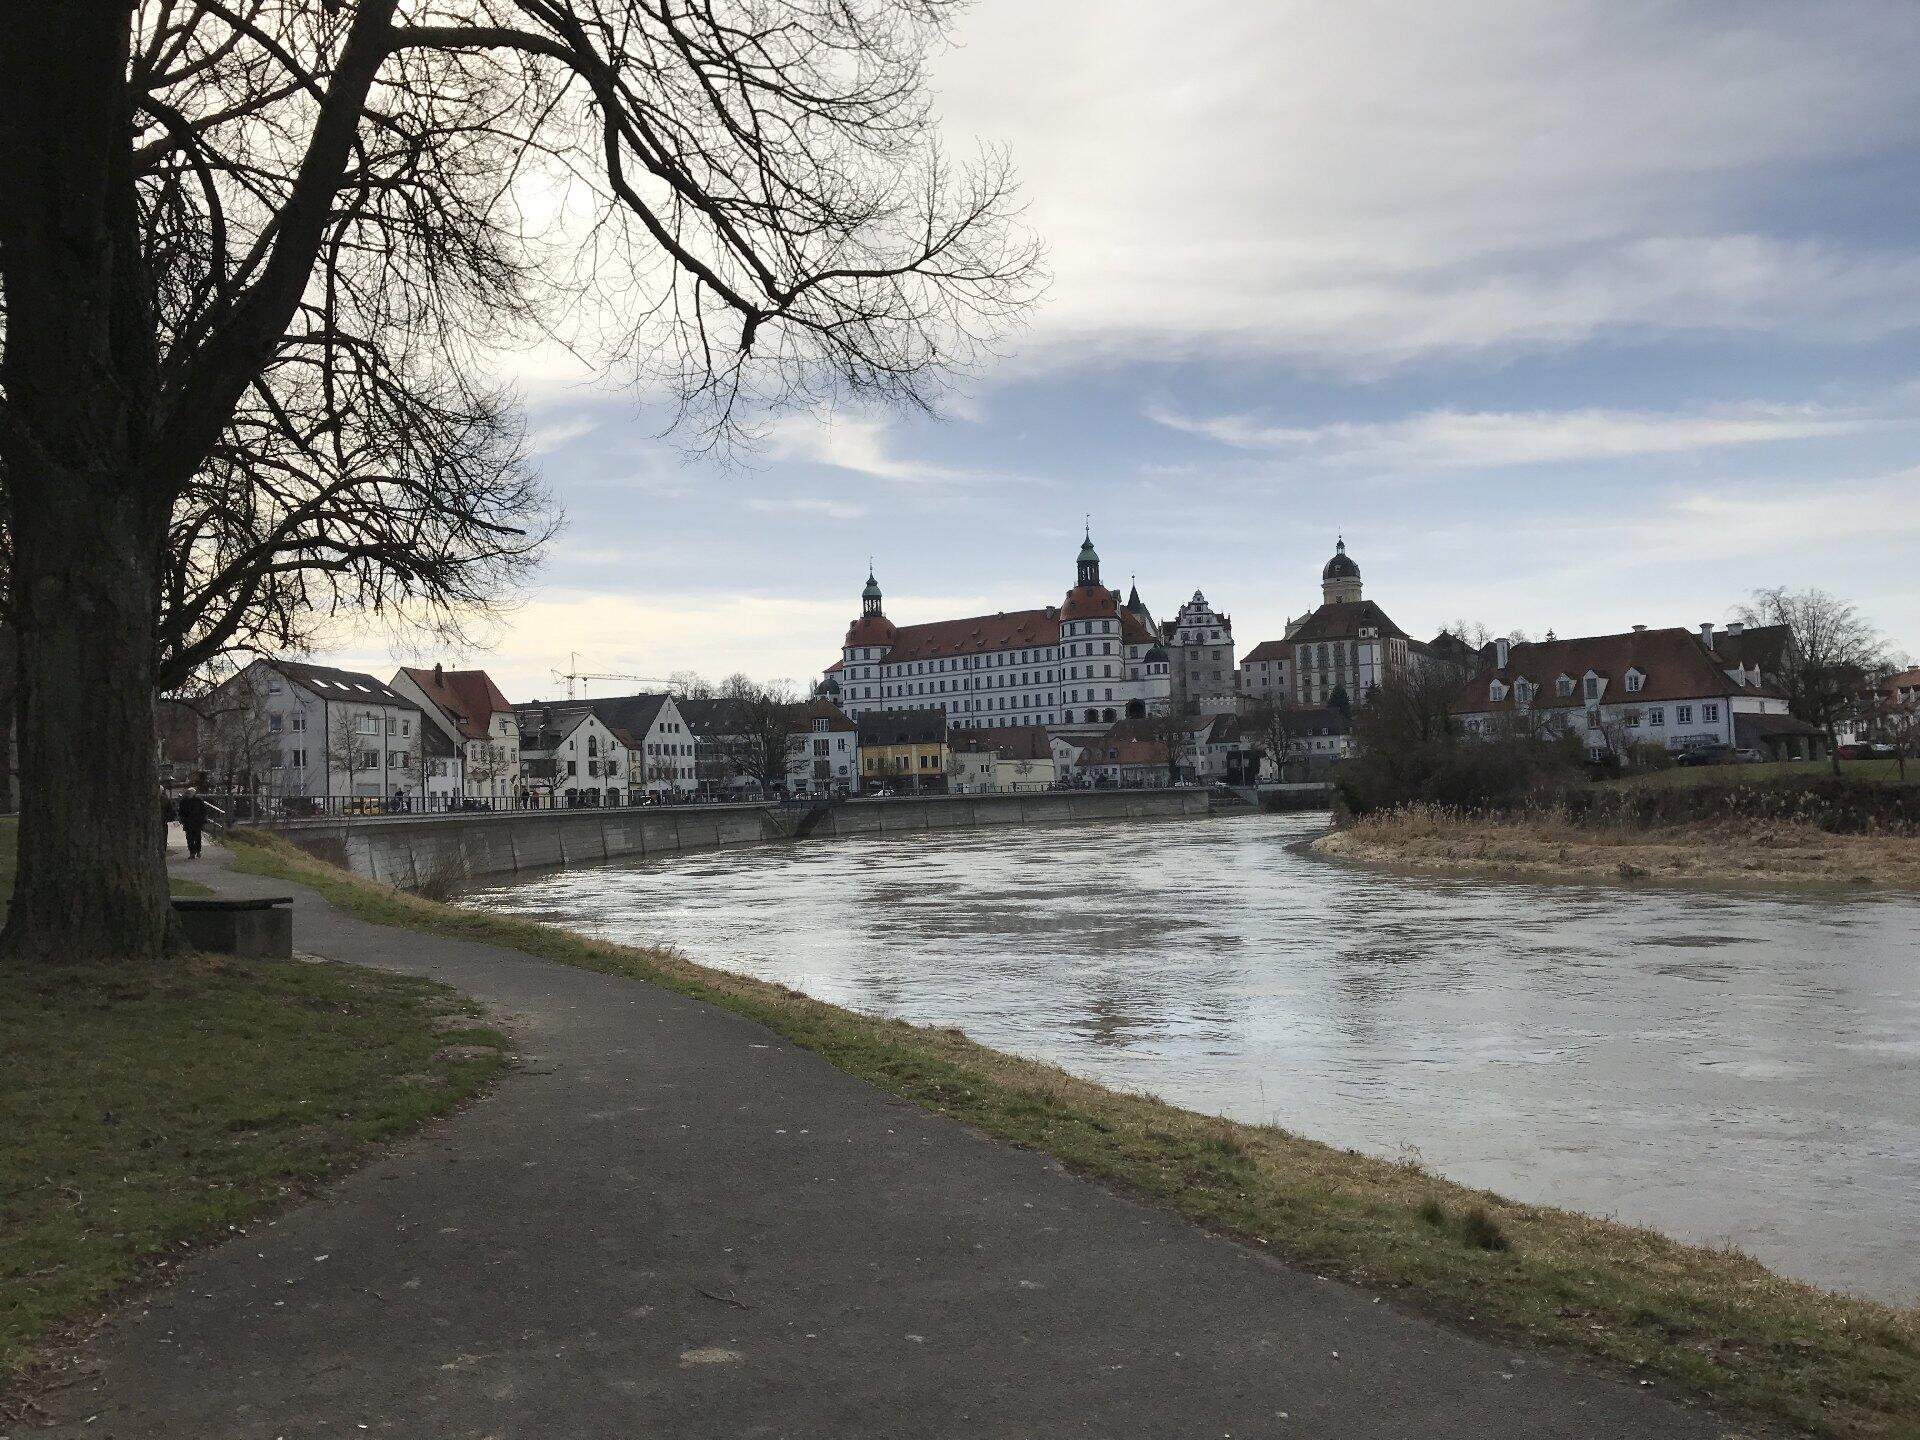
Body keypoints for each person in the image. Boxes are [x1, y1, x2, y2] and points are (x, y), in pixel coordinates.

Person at [177, 788, 208, 860]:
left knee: (197, 837)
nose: (188, 794)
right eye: (187, 793)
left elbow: (203, 810)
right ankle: (192, 852)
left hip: (197, 822)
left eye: (189, 793)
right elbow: (181, 811)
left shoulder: (198, 800)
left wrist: (203, 819)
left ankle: (198, 851)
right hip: (188, 822)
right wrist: (182, 819)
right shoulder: (184, 801)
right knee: (189, 838)